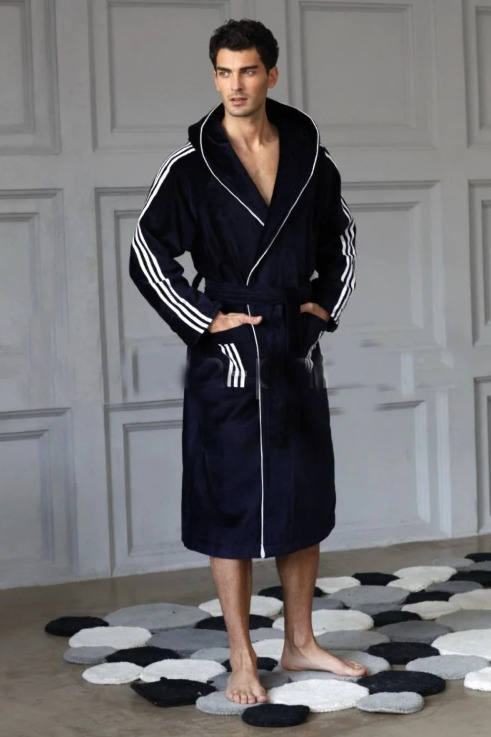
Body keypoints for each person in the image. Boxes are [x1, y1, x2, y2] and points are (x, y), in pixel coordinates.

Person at [130, 18, 364, 704]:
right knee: (226, 501)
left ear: (271, 75)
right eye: (224, 72)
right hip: (228, 352)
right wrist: (205, 319)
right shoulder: (193, 166)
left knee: (303, 495)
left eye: (248, 71)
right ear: (215, 76)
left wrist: (321, 309)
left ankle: (299, 642)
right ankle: (241, 655)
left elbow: (343, 240)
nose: (235, 85)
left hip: (292, 347)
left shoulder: (308, 158)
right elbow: (146, 252)